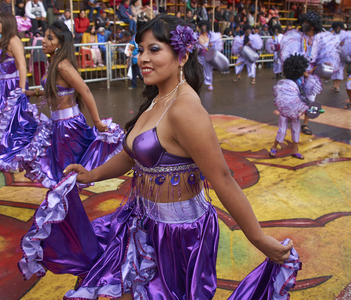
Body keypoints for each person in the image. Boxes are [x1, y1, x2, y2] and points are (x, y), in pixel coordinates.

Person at [18, 15, 300, 299]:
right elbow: (131, 157)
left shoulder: (185, 109)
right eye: (140, 49)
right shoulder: (156, 99)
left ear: (182, 55)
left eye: (154, 49)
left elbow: (223, 179)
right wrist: (91, 175)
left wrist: (259, 239)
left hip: (177, 236)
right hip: (139, 223)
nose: (143, 58)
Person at [0, 21, 124, 184]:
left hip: (68, 127)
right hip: (58, 124)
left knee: (65, 173)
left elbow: (85, 91)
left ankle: (66, 204)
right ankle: (65, 203)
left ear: (60, 44)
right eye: (45, 37)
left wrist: (97, 121)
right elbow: (55, 89)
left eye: (50, 38)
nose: (44, 41)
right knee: (60, 171)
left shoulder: (62, 65)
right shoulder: (54, 64)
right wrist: (30, 92)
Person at [280, 12, 340, 135]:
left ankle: (305, 124)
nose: (303, 25)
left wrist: (326, 63)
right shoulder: (297, 37)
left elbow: (325, 55)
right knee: (294, 98)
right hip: (297, 72)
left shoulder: (321, 39)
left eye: (306, 23)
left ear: (312, 26)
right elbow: (291, 56)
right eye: (303, 22)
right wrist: (301, 71)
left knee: (311, 100)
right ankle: (293, 120)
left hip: (312, 74)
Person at [270, 54, 321, 160]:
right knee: (282, 130)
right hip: (285, 110)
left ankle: (294, 151)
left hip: (295, 111)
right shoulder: (287, 83)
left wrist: (307, 79)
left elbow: (308, 92)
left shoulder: (301, 80)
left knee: (296, 129)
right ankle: (274, 147)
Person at [197, 20, 223, 90]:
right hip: (199, 56)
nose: (203, 28)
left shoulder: (211, 36)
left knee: (208, 70)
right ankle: (200, 83)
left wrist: (211, 45)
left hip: (207, 56)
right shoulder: (197, 35)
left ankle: (210, 83)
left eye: (205, 26)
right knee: (199, 70)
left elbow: (216, 46)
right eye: (202, 26)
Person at [331, 22, 350, 93]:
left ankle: (337, 86)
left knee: (340, 69)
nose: (337, 29)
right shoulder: (332, 34)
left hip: (342, 54)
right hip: (334, 54)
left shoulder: (345, 34)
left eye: (339, 27)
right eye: (336, 27)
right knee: (334, 69)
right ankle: (334, 85)